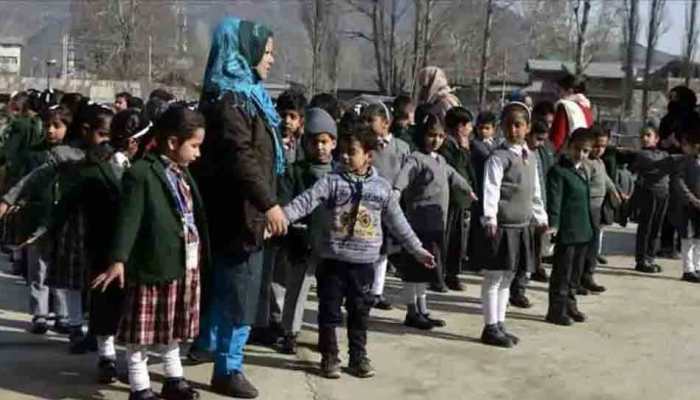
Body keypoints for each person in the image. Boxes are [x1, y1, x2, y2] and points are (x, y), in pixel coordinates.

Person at [283, 125, 435, 379]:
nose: (344, 156)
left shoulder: (382, 188)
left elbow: (398, 222)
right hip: (332, 261)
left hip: (364, 265)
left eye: (351, 152)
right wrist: (281, 218)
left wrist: (417, 249)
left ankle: (358, 357)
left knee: (359, 313)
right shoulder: (331, 181)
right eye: (341, 151)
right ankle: (329, 356)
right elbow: (305, 202)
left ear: (368, 156)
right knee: (328, 311)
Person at [193, 17, 287, 398]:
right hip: (240, 214)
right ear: (244, 52)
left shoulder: (244, 96)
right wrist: (269, 204)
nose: (270, 61)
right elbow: (241, 158)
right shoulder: (233, 102)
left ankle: (208, 345)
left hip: (241, 212)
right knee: (239, 292)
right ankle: (227, 368)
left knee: (228, 286)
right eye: (266, 53)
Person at [92, 106, 207, 400]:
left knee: (173, 328)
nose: (198, 154)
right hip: (153, 267)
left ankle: (174, 378)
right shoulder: (142, 173)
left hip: (182, 265)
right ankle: (140, 387)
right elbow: (129, 220)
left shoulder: (182, 174)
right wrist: (118, 259)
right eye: (193, 146)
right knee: (140, 335)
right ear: (172, 142)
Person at [394, 111, 473, 329]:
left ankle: (423, 309)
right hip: (418, 224)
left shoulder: (441, 160)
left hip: (436, 225)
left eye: (440, 136)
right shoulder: (416, 159)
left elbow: (454, 175)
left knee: (426, 270)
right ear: (422, 135)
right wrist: (396, 191)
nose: (435, 140)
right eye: (431, 135)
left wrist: (468, 190)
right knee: (413, 270)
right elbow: (403, 177)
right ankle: (412, 311)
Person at [480, 102, 548, 347]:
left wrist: (540, 217)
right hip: (502, 226)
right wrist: (490, 217)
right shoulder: (499, 157)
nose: (513, 129)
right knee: (494, 277)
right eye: (508, 125)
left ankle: (500, 323)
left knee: (508, 276)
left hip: (521, 226)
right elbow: (491, 188)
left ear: (527, 127)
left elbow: (535, 190)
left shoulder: (530, 156)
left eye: (518, 125)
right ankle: (489, 326)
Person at [276, 107, 337, 354]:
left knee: (329, 294)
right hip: (302, 242)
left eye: (325, 141)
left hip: (332, 245)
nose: (320, 147)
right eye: (314, 142)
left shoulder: (340, 173)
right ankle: (290, 333)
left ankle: (326, 333)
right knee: (297, 291)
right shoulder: (295, 171)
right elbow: (285, 202)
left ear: (333, 143)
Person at [361, 102, 411, 303]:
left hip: (391, 206)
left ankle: (377, 291)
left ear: (386, 123)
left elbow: (407, 174)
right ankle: (364, 288)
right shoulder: (365, 147)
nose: (365, 124)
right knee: (368, 248)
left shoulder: (401, 147)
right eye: (363, 120)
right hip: (367, 206)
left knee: (383, 252)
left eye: (370, 120)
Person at [546, 128, 595, 326]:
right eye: (577, 149)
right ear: (568, 146)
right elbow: (555, 201)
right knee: (562, 273)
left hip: (583, 229)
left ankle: (571, 304)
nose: (581, 154)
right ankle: (556, 310)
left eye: (585, 151)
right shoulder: (559, 171)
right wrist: (554, 224)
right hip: (567, 230)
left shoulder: (583, 170)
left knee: (575, 273)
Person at [439, 106, 477, 290]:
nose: (471, 129)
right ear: (460, 126)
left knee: (458, 241)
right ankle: (441, 274)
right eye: (469, 125)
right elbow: (455, 170)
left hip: (462, 200)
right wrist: (463, 149)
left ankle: (453, 274)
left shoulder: (463, 145)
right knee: (447, 240)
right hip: (451, 199)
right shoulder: (446, 145)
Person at [658, 86, 697, 259]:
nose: (671, 101)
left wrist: (680, 143)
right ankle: (667, 245)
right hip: (670, 162)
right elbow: (661, 139)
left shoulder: (694, 118)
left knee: (686, 205)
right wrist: (665, 143)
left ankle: (685, 246)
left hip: (689, 165)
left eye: (675, 97)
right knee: (670, 206)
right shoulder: (667, 119)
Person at [581, 125, 619, 294]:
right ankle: (578, 280)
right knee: (583, 246)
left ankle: (589, 275)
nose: (599, 149)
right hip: (585, 208)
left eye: (603, 146)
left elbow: (606, 179)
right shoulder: (585, 163)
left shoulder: (600, 162)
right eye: (596, 145)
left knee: (593, 246)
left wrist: (614, 191)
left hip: (597, 209)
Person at [468, 111, 500, 274]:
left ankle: (486, 258)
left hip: (491, 190)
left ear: (494, 129)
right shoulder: (474, 145)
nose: (484, 131)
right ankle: (476, 261)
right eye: (481, 128)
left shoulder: (495, 144)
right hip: (480, 188)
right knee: (478, 226)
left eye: (487, 128)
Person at [526, 119, 556, 283]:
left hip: (539, 201)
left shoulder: (541, 152)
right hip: (523, 205)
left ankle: (537, 267)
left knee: (537, 239)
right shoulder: (522, 152)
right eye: (538, 138)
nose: (540, 143)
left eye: (543, 139)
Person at [672, 121, 700, 283]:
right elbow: (679, 182)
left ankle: (697, 267)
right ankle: (688, 270)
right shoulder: (684, 162)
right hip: (688, 205)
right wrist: (692, 199)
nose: (684, 148)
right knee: (687, 238)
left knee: (698, 239)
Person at [550, 74, 593, 152]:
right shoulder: (586, 107)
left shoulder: (564, 106)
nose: (558, 94)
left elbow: (558, 138)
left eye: (559, 90)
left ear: (569, 91)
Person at [277, 89, 307, 164]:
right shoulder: (271, 140)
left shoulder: (305, 145)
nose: (287, 121)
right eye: (283, 115)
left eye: (292, 117)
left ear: (300, 121)